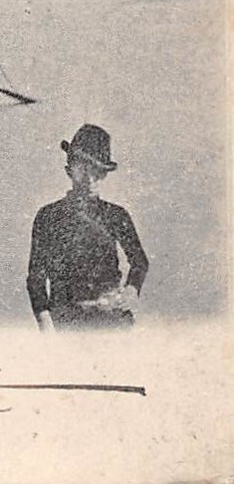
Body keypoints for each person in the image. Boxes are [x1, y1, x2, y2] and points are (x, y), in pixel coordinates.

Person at [27, 123, 149, 332]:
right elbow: (36, 279)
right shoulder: (47, 217)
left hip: (113, 321)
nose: (90, 179)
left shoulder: (116, 215)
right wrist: (45, 324)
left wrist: (131, 291)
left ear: (104, 174)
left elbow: (139, 262)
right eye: (83, 169)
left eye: (98, 171)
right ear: (69, 170)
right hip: (67, 322)